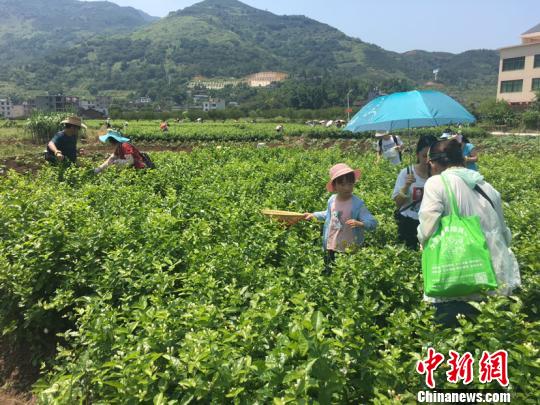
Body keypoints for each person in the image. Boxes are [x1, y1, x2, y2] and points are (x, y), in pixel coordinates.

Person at [417, 139, 520, 326]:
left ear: (435, 162)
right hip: (495, 276)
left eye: (430, 163)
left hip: (458, 277)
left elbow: (427, 227)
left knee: (453, 342)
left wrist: (422, 242)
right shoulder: (487, 188)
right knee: (489, 341)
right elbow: (505, 234)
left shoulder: (437, 183)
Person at [302, 163, 378, 273]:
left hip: (350, 248)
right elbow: (329, 215)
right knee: (331, 270)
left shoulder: (357, 204)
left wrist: (361, 224)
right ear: (334, 186)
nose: (347, 188)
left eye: (350, 184)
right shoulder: (332, 200)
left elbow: (372, 221)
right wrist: (314, 215)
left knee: (347, 273)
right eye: (342, 184)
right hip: (331, 244)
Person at [392, 135, 438, 249]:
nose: (428, 161)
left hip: (432, 224)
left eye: (432, 157)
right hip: (409, 224)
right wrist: (406, 186)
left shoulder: (439, 175)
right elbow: (398, 204)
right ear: (417, 154)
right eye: (424, 156)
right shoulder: (406, 173)